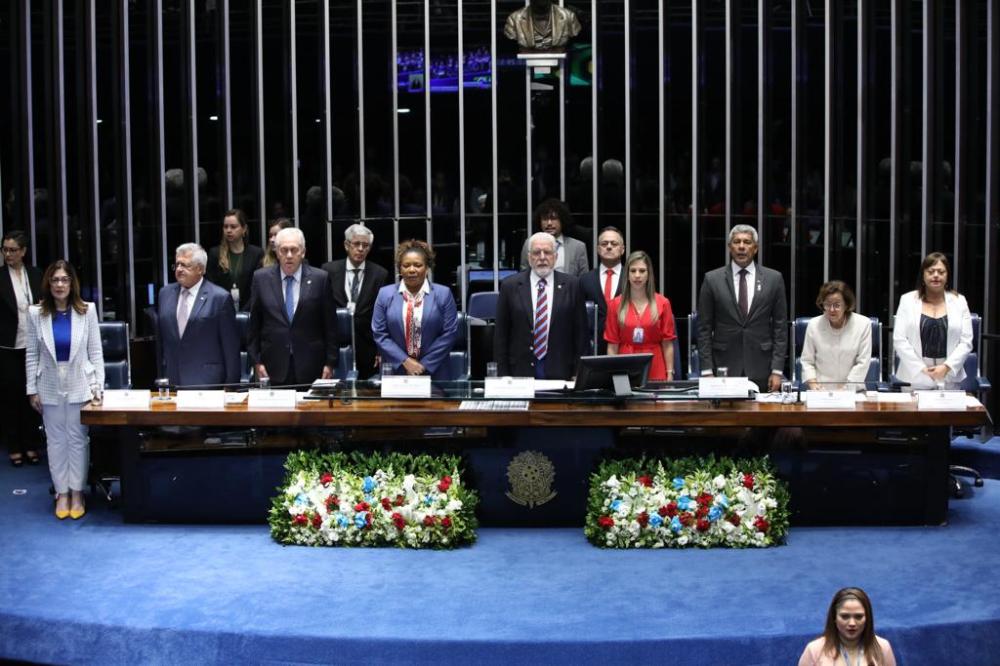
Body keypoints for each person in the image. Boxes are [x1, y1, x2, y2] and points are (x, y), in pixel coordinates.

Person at [25, 260, 104, 520]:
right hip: (48, 383)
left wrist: (98, 387)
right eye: (55, 280)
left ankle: (77, 492)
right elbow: (32, 355)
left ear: (72, 284)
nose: (60, 284)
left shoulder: (87, 311)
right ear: (48, 283)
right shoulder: (36, 313)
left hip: (80, 383)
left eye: (64, 280)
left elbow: (95, 351)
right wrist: (31, 389)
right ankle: (62, 493)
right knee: (56, 441)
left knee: (77, 440)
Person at [697, 224, 788, 392]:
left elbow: (780, 328)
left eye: (747, 242)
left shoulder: (774, 279)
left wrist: (777, 370)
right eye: (736, 242)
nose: (741, 246)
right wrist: (707, 370)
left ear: (755, 248)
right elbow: (703, 329)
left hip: (762, 367)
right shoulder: (712, 279)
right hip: (724, 366)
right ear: (729, 247)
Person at [248, 227, 337, 386]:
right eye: (284, 250)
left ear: (302, 252)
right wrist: (256, 361)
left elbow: (330, 325)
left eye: (294, 250)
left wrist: (330, 363)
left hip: (312, 365)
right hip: (272, 365)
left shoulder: (320, 279)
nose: (289, 255)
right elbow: (254, 325)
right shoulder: (261, 279)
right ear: (276, 252)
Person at [496, 232, 588, 379]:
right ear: (529, 257)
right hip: (520, 372)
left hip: (561, 371)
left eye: (548, 252)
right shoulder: (510, 286)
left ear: (556, 257)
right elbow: (501, 335)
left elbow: (581, 335)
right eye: (537, 252)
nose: (542, 257)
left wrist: (578, 373)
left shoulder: (573, 285)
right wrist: (503, 374)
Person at [156, 243, 240, 387]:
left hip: (207, 383)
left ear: (200, 269)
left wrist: (231, 387)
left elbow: (230, 347)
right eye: (177, 265)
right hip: (173, 380)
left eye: (185, 265)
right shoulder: (165, 294)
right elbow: (162, 342)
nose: (179, 269)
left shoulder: (219, 298)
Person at [371, 240, 458, 380]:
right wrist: (405, 361)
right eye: (406, 265)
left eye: (418, 265)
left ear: (427, 268)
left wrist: (423, 365)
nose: (412, 269)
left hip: (434, 372)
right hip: (396, 371)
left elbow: (449, 333)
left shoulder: (443, 294)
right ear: (400, 268)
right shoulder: (385, 294)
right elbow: (379, 333)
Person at [892, 252, 973, 390]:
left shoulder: (960, 301)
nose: (936, 275)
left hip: (948, 377)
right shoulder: (907, 300)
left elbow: (966, 342)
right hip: (914, 376)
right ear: (923, 276)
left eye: (941, 272)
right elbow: (899, 340)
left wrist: (946, 367)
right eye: (931, 271)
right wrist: (921, 369)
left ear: (947, 277)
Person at [321, 224, 391, 379]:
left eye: (365, 245)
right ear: (347, 245)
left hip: (367, 346)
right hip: (335, 345)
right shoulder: (328, 271)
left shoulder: (380, 274)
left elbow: (383, 315)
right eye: (356, 244)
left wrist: (381, 350)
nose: (360, 249)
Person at [0, 231, 43, 466]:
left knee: (32, 396)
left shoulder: (35, 275)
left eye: (13, 250)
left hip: (33, 344)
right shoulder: (0, 277)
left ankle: (31, 444)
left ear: (23, 252)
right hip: (7, 345)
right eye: (5, 249)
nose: (8, 254)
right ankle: (15, 446)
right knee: (11, 396)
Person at [604, 251, 676, 381]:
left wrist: (670, 373)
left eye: (642, 271)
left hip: (655, 364)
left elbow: (667, 343)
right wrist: (614, 374)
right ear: (627, 275)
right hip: (624, 365)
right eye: (633, 271)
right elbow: (612, 345)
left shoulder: (663, 303)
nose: (637, 275)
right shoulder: (615, 304)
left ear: (649, 275)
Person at [800, 281, 872, 388]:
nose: (831, 309)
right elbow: (807, 361)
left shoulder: (863, 324)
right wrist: (814, 385)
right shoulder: (814, 325)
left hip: (853, 390)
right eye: (827, 305)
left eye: (837, 305)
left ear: (847, 305)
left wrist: (846, 389)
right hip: (821, 391)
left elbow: (863, 362)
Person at [798, 587, 897, 666]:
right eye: (845, 616)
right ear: (834, 617)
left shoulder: (883, 647)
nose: (852, 623)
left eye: (858, 616)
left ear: (867, 618)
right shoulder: (814, 650)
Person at [580, 226, 626, 355]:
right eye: (604, 244)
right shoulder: (584, 280)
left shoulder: (631, 278)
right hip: (592, 347)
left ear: (622, 249)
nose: (609, 247)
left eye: (614, 243)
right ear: (598, 249)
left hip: (625, 346)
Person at [206, 209, 264, 311]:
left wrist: (245, 310)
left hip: (249, 310)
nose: (228, 230)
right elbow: (211, 285)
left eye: (233, 227)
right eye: (225, 227)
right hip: (221, 309)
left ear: (244, 229)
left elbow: (258, 287)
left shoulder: (256, 253)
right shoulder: (215, 253)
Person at [519, 199, 589, 277]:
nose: (549, 223)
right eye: (545, 219)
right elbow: (523, 274)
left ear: (562, 220)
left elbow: (583, 278)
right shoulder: (530, 243)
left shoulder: (578, 247)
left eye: (554, 219)